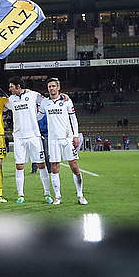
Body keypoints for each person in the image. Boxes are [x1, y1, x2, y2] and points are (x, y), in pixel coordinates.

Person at [39, 77, 87, 205]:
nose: (51, 88)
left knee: (74, 166)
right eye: (49, 86)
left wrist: (75, 136)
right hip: (53, 140)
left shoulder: (67, 101)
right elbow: (39, 116)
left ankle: (80, 195)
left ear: (58, 87)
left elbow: (74, 119)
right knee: (54, 168)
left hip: (67, 138)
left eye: (54, 86)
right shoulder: (45, 103)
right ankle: (58, 196)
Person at [7, 78, 51, 204]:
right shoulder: (11, 99)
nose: (10, 89)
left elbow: (47, 102)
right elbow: (1, 106)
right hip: (19, 137)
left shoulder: (33, 95)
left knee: (41, 165)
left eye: (11, 86)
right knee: (19, 166)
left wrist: (63, 97)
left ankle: (47, 194)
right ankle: (20, 195)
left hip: (34, 136)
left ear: (18, 86)